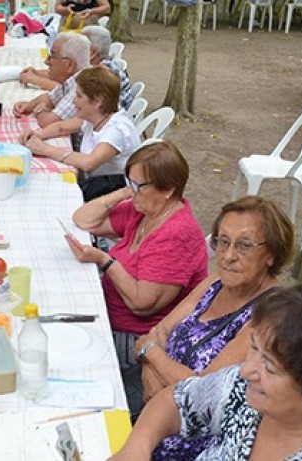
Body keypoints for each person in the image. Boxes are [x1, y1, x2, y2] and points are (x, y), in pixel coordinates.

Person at [109, 284, 302, 461]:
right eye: (253, 348)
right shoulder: (246, 390)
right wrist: (138, 446)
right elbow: (177, 401)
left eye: (270, 367)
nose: (247, 369)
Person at [136, 196, 294, 460]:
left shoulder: (272, 313)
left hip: (192, 444)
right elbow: (158, 332)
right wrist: (148, 374)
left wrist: (149, 354)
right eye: (222, 241)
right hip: (153, 414)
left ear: (271, 254)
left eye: (244, 245)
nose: (228, 256)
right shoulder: (215, 282)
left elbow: (205, 390)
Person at [68, 140, 208, 417]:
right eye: (129, 181)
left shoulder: (176, 234)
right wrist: (123, 192)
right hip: (111, 315)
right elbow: (83, 220)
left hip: (137, 337)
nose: (133, 192)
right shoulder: (143, 209)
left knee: (67, 360)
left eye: (139, 185)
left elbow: (142, 304)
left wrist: (106, 261)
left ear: (168, 189)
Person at [21, 66, 141, 201]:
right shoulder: (96, 117)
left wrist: (44, 149)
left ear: (97, 101)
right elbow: (61, 127)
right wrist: (38, 135)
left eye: (79, 96)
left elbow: (88, 163)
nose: (74, 101)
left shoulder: (117, 130)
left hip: (113, 195)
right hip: (96, 185)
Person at [21, 26, 133, 111]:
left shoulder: (103, 73)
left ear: (92, 53)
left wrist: (35, 80)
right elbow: (65, 77)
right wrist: (35, 72)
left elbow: (69, 89)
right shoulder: (95, 66)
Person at [13, 32, 92, 128]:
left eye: (52, 57)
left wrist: (40, 109)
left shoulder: (83, 85)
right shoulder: (70, 79)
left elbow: (48, 122)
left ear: (69, 65)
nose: (46, 61)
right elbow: (50, 98)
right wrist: (29, 105)